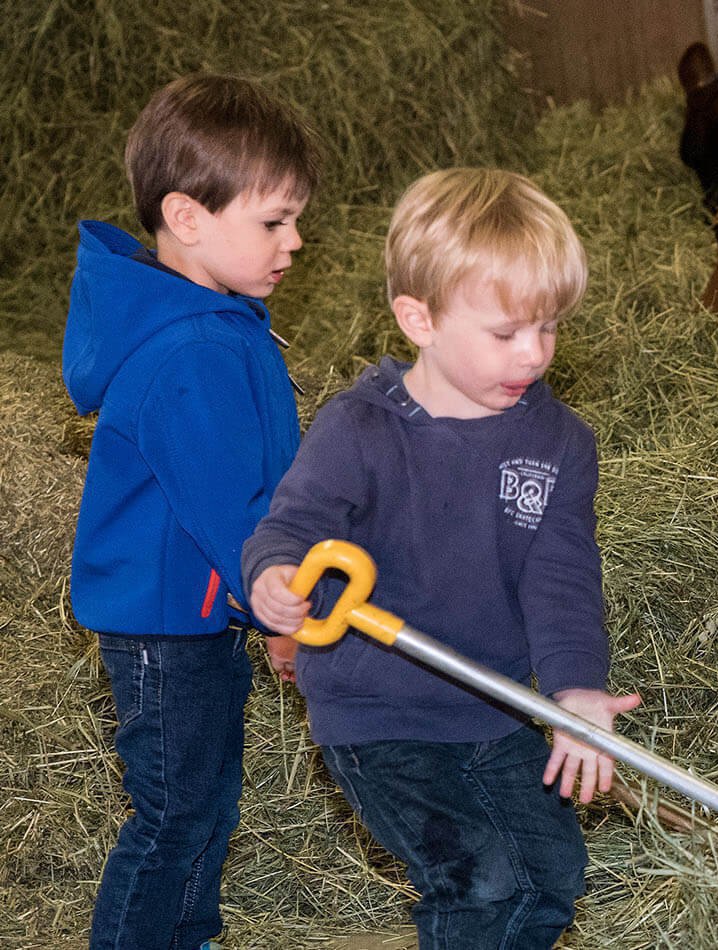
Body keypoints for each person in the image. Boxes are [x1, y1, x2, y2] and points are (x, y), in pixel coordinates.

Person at [242, 167, 640, 949]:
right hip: (377, 708)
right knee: (483, 879)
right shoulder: (360, 431)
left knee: (550, 874)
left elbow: (559, 577)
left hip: (493, 705)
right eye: (505, 332)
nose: (533, 353)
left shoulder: (558, 442)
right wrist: (275, 577)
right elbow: (293, 522)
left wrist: (575, 694)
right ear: (418, 319)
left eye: (549, 326)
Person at [62, 73, 320, 950]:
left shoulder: (219, 317)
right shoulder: (193, 350)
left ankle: (184, 934)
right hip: (167, 624)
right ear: (187, 217)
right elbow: (233, 514)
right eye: (274, 221)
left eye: (296, 219)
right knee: (176, 812)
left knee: (204, 798)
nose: (296, 241)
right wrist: (281, 606)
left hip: (195, 609)